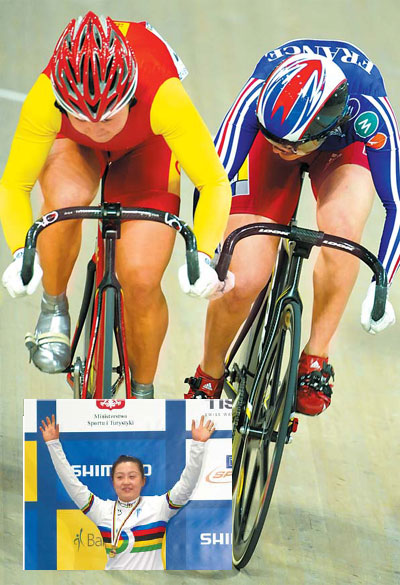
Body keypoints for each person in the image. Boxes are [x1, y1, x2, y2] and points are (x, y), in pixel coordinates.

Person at [0, 11, 232, 398]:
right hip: (75, 151)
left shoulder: (165, 96)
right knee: (64, 202)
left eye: (109, 114)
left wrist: (204, 254)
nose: (97, 128)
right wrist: (20, 253)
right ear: (62, 101)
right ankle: (53, 309)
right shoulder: (46, 99)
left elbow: (213, 182)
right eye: (83, 117)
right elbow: (14, 185)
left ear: (131, 94)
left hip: (147, 148)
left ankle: (142, 392)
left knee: (140, 278)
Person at [185, 40, 398, 415]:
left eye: (291, 145)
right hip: (281, 138)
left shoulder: (369, 113)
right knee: (244, 279)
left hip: (341, 148)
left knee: (343, 232)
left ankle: (315, 357)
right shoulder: (258, 95)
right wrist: (204, 252)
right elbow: (213, 179)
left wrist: (381, 287)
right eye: (274, 138)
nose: (282, 148)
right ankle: (210, 373)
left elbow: (395, 204)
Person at [39, 413, 214, 570]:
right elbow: (71, 483)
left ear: (143, 481)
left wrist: (198, 445)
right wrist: (53, 444)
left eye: (132, 476)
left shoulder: (160, 506)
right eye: (120, 477)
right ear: (113, 482)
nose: (126, 482)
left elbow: (187, 484)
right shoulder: (101, 510)